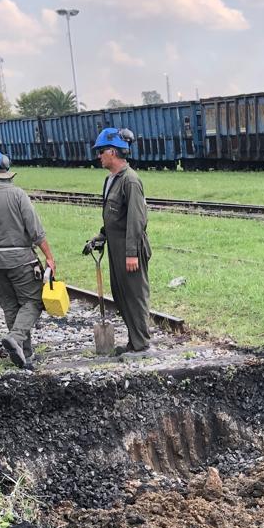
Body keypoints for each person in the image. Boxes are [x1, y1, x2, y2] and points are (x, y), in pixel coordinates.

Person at [0, 150, 57, 370]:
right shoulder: (17, 194)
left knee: (10, 306)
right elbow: (35, 230)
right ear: (5, 165)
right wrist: (49, 257)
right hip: (20, 258)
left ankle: (24, 355)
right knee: (34, 301)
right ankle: (16, 338)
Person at [86, 128, 152, 357]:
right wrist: (101, 236)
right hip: (116, 248)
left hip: (129, 248)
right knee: (121, 295)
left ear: (113, 152)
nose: (98, 156)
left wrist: (131, 253)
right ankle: (134, 342)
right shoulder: (111, 179)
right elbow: (114, 216)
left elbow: (136, 219)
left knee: (135, 296)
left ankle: (142, 345)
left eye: (101, 151)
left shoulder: (130, 180)